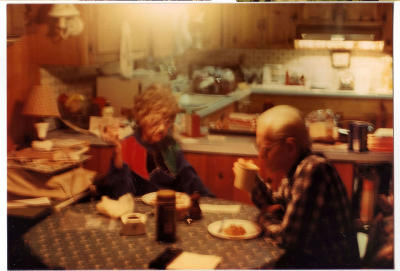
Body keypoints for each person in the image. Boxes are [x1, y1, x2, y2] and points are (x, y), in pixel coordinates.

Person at [235, 105, 360, 269]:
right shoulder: (298, 167)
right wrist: (253, 182)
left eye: (265, 149)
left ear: (290, 147)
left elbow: (287, 240)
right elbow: (278, 205)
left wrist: (263, 218)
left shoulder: (312, 170)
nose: (260, 156)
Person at [96, 84, 213, 199]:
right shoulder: (127, 145)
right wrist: (118, 153)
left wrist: (208, 200)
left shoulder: (170, 145)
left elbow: (189, 179)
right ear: (141, 118)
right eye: (155, 122)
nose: (162, 128)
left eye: (167, 122)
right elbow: (120, 195)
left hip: (168, 209)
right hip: (137, 214)